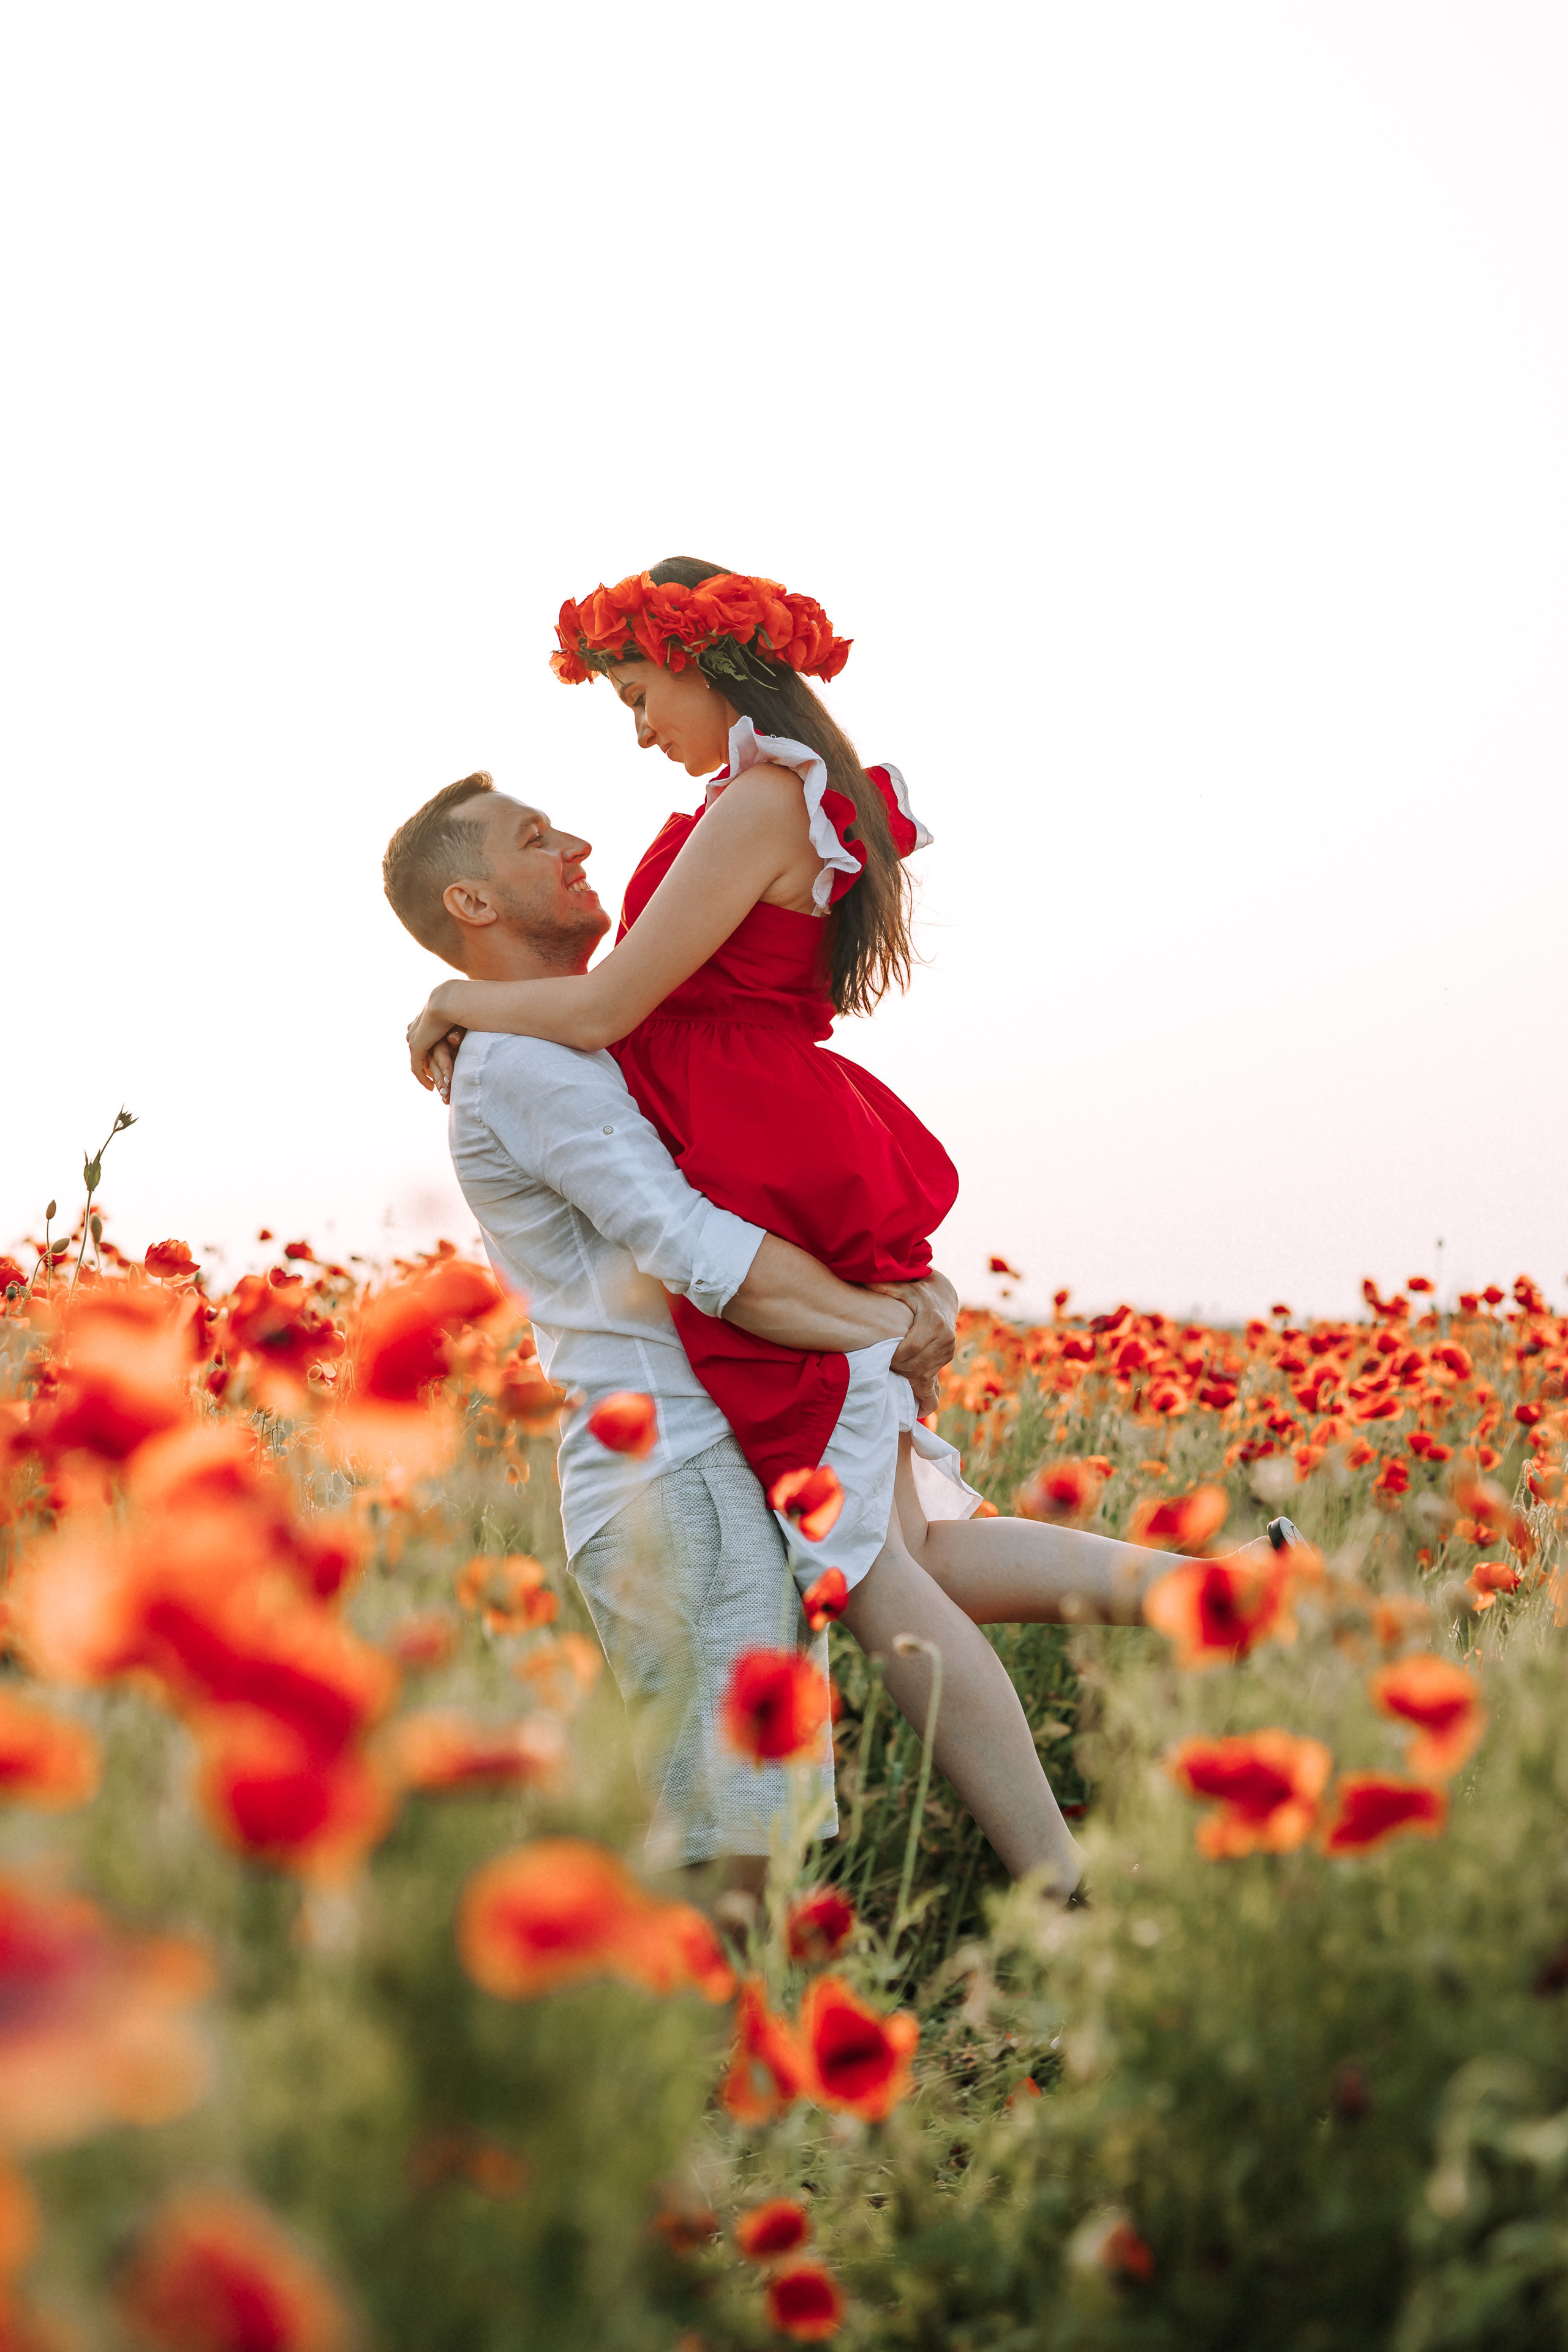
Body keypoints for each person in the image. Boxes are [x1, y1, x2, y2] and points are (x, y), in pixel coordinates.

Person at [396, 566, 1265, 1897]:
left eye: (637, 696)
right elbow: (606, 1024)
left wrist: (450, 998)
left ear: (699, 660)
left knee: (869, 1570)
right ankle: (1208, 1598)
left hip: (758, 1135)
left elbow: (607, 1006)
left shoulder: (755, 802)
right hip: (755, 1137)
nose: (636, 732)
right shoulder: (763, 796)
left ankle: (1058, 1881)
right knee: (903, 1546)